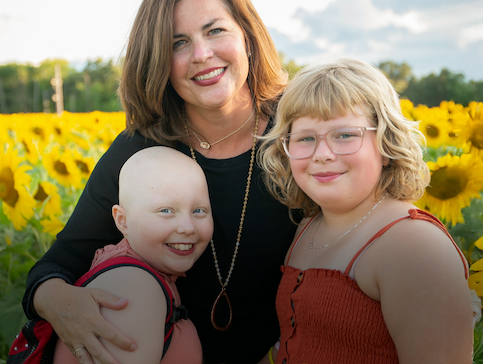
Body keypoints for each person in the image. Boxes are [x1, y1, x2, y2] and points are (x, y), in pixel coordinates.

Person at [22, 0, 297, 363]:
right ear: (157, 61)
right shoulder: (140, 149)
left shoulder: (300, 131)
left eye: (215, 30)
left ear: (248, 37)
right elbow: (54, 267)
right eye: (176, 43)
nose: (201, 53)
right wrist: (62, 305)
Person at [259, 58, 475, 364]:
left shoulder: (415, 246)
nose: (322, 154)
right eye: (306, 138)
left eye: (345, 135)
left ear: (386, 143)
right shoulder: (309, 226)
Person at [52, 146, 211, 363]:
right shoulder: (133, 287)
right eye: (166, 211)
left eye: (198, 211)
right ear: (122, 221)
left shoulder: (141, 270)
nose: (187, 227)